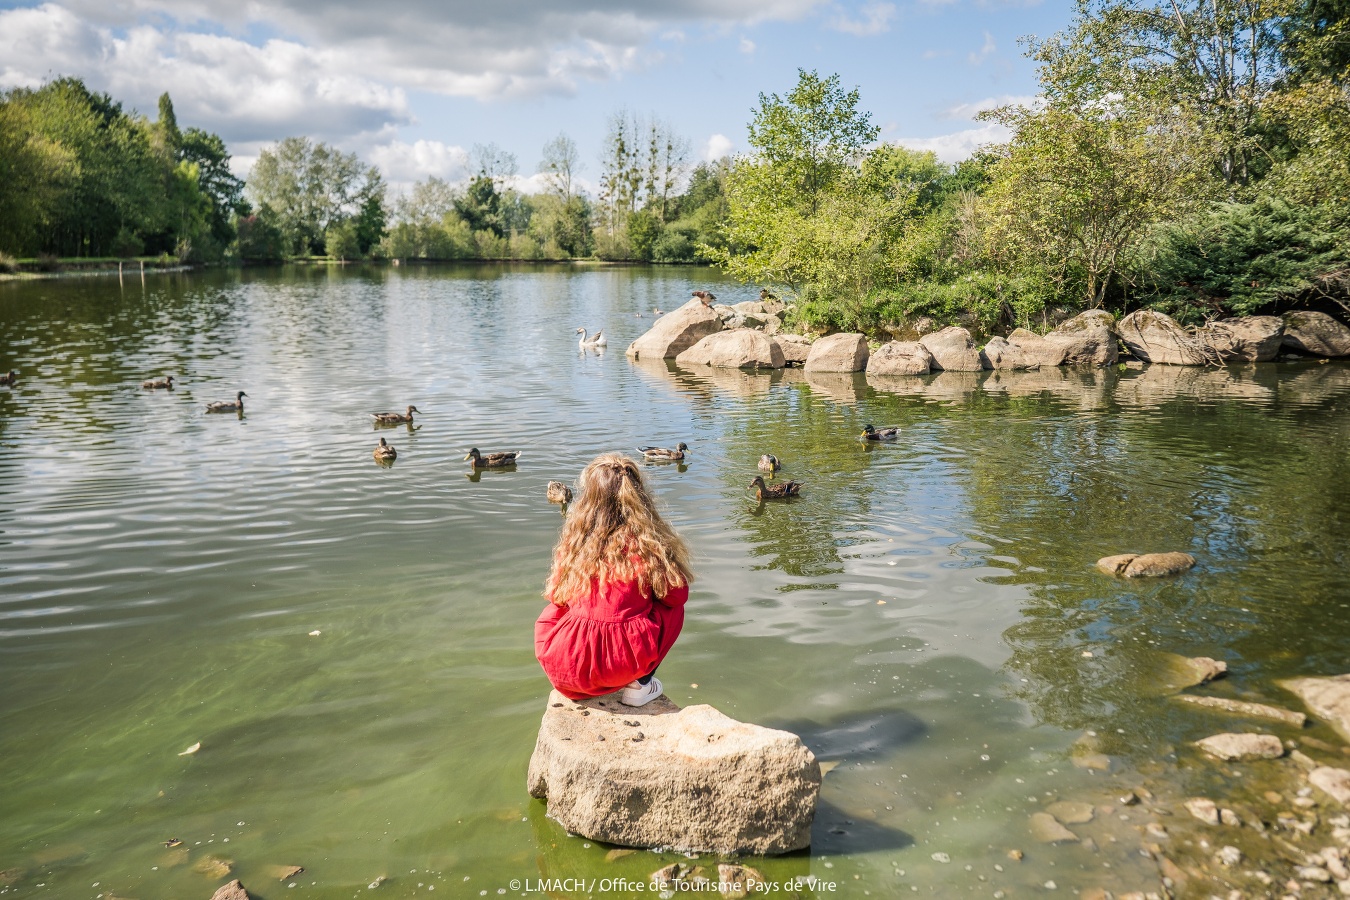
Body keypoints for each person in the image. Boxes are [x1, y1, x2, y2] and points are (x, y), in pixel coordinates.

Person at [534, 453, 692, 707]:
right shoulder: (648, 545)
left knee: (557, 606)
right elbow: (678, 596)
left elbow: (556, 596)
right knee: (673, 605)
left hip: (564, 668)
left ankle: (593, 671)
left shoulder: (576, 542)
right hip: (621, 662)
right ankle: (640, 684)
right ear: (638, 496)